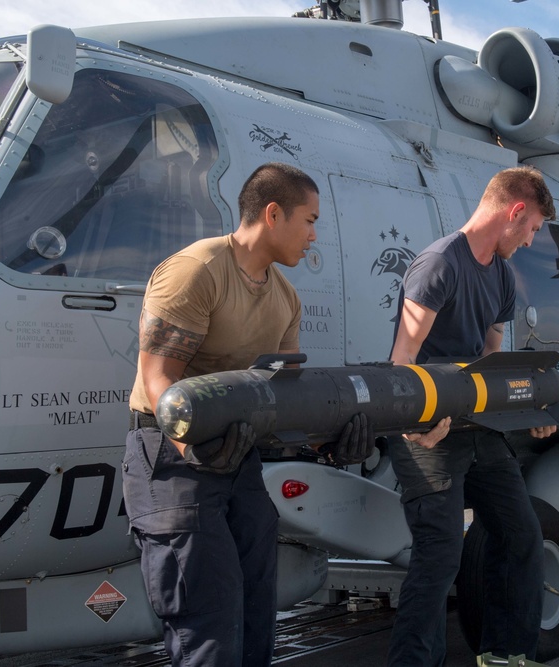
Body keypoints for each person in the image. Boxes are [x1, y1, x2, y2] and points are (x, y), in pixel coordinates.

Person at [122, 162, 372, 666]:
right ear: (273, 213)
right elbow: (158, 380)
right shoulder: (197, 271)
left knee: (256, 622)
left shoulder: (285, 298)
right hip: (173, 466)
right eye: (309, 220)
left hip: (238, 463)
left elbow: (282, 396)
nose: (314, 235)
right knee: (209, 632)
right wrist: (192, 447)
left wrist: (325, 440)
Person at [386, 166, 558, 666]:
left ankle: (506, 654)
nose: (529, 242)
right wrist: (421, 421)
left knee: (521, 533)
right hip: (428, 434)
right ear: (515, 211)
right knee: (441, 555)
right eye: (531, 230)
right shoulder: (440, 263)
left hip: (478, 426)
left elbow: (493, 357)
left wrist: (529, 409)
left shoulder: (500, 274)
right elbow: (403, 358)